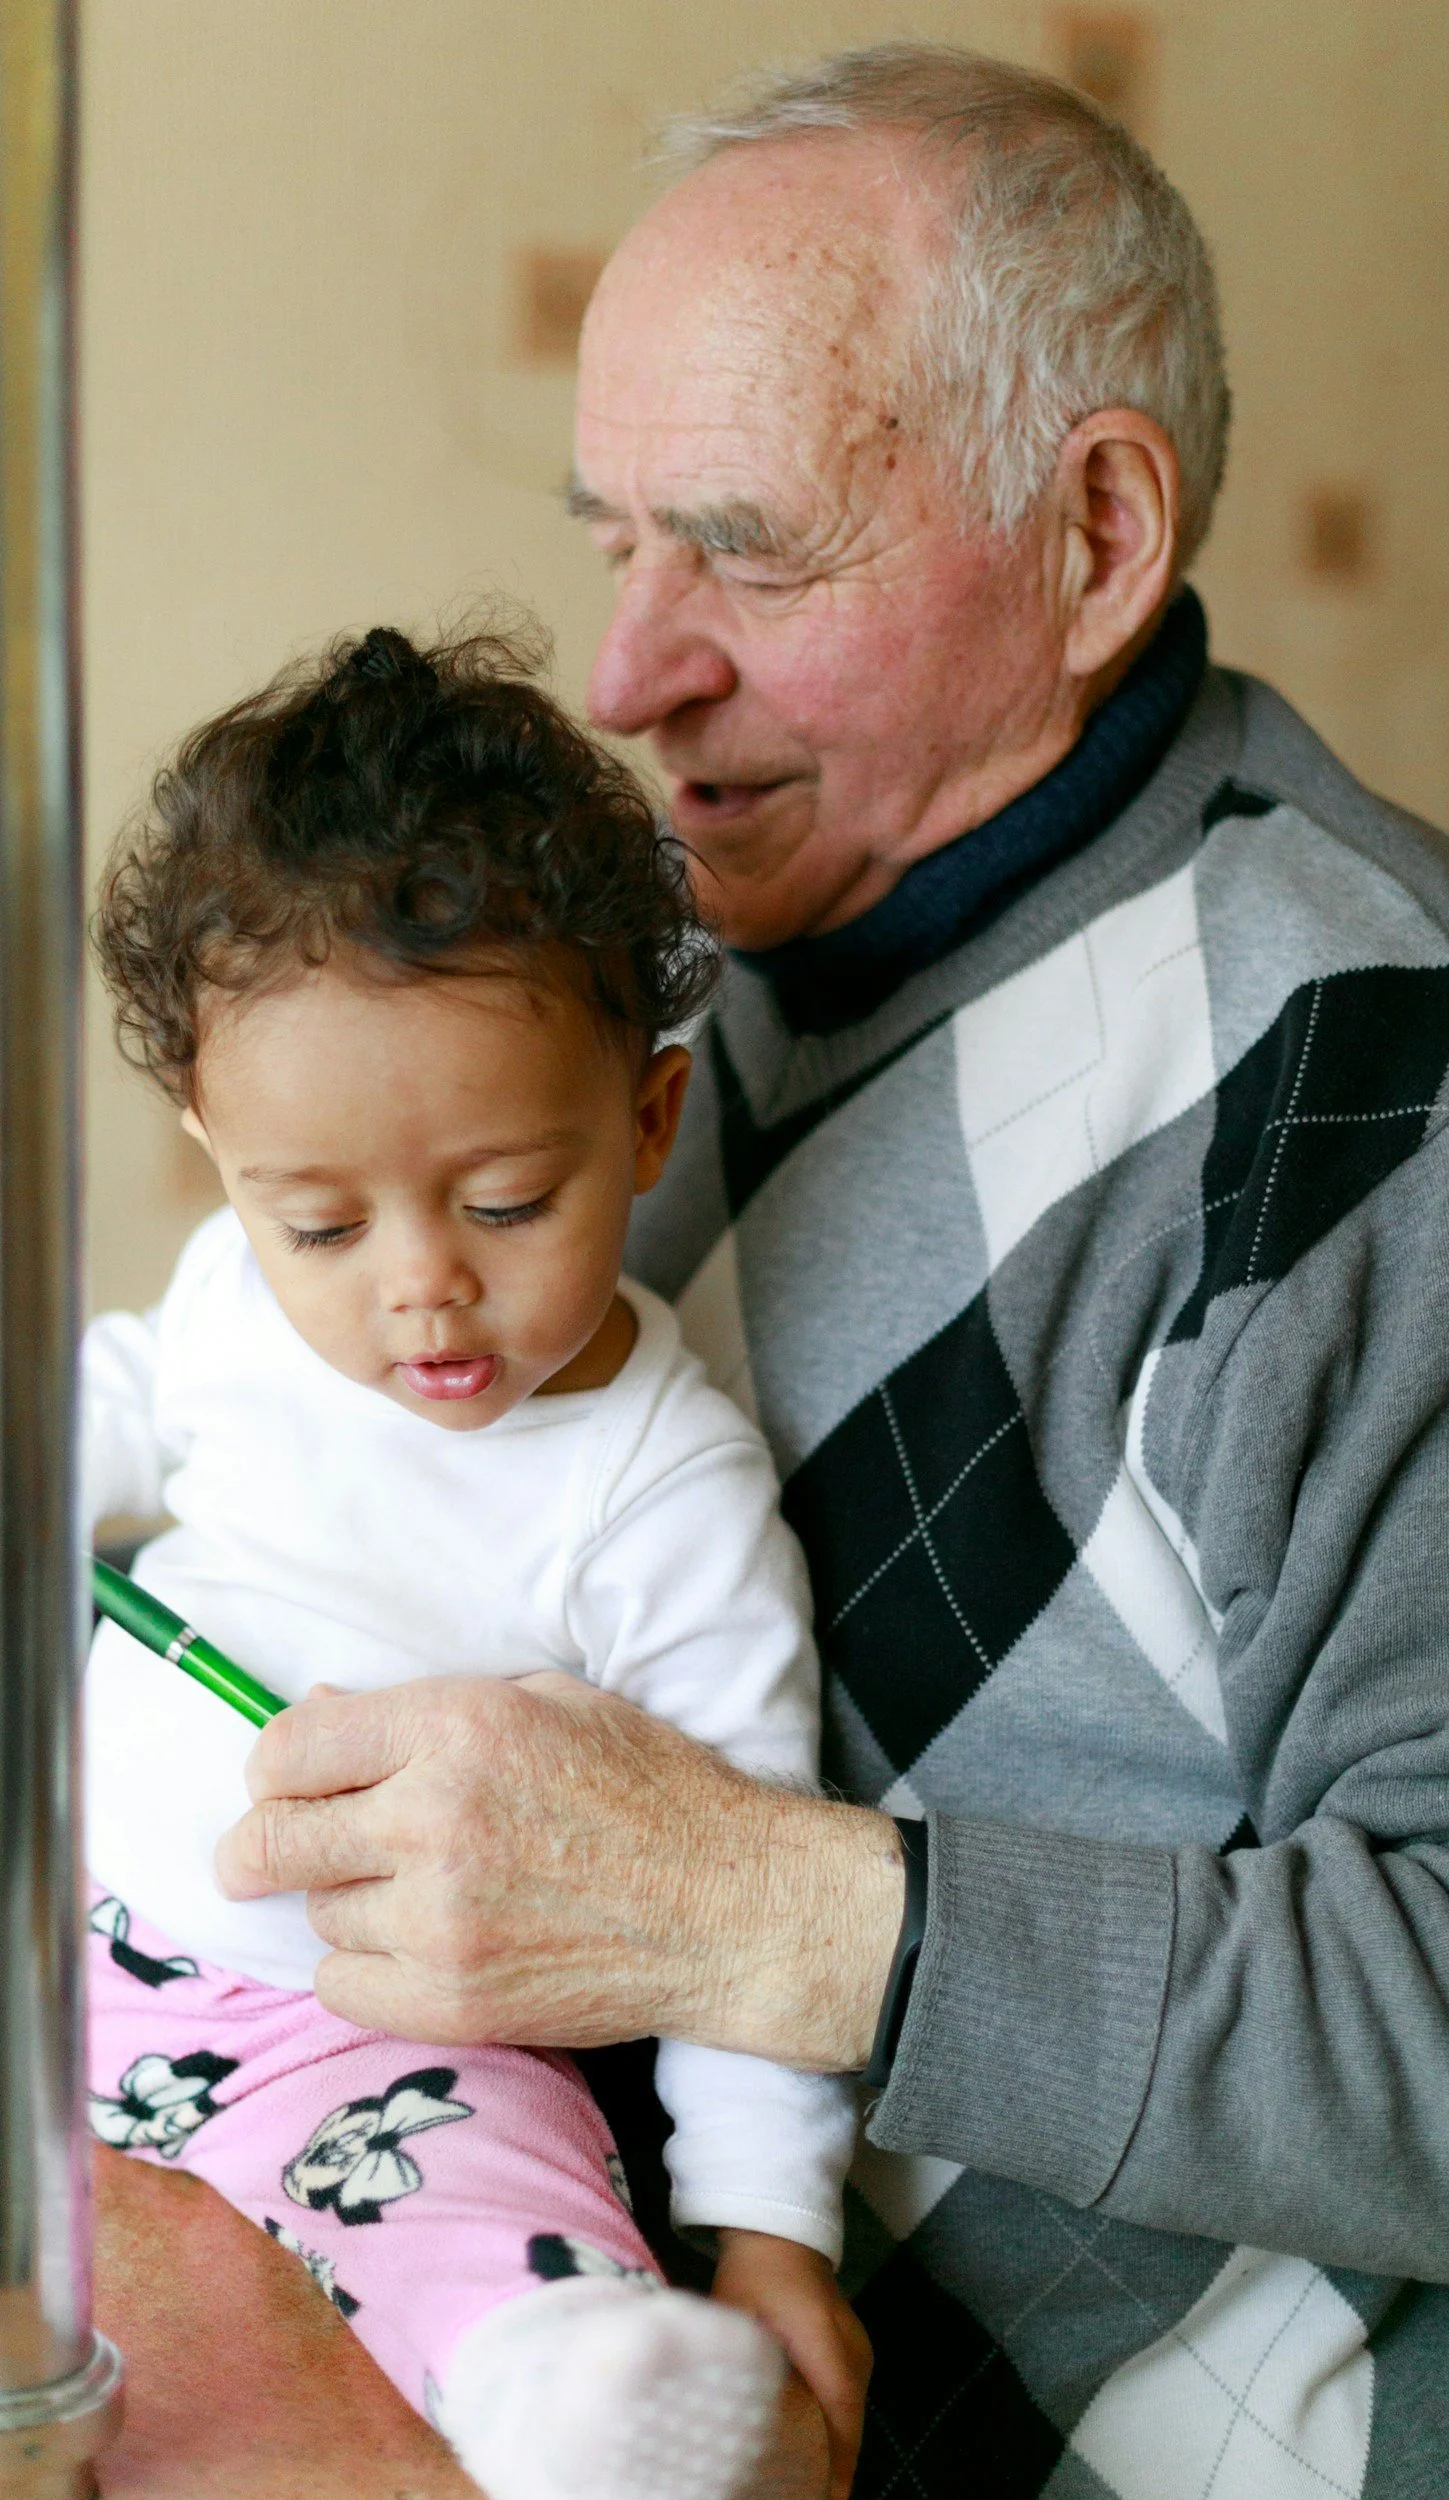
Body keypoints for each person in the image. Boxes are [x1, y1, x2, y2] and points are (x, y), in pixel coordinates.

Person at [217, 46, 1449, 2500]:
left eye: (747, 552)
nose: (630, 674)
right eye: (617, 542)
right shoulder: (662, 975)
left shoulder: (1392, 1085)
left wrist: (760, 1912)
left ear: (1098, 537)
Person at [81, 622, 871, 2500]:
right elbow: (111, 1393)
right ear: (223, 1155)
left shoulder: (660, 1489)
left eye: (507, 1203)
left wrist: (772, 2237)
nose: (421, 1285)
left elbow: (744, 1899)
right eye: (319, 1222)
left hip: (388, 2033)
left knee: (474, 2209)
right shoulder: (236, 1301)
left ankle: (568, 2391)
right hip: (82, 1928)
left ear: (648, 1118)